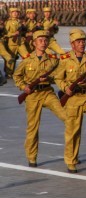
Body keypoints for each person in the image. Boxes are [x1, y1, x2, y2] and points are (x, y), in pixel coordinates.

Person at [53, 28, 86, 173]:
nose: (82, 44)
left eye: (83, 41)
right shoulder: (65, 60)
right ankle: (71, 160)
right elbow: (58, 78)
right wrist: (65, 88)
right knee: (73, 131)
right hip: (73, 99)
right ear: (72, 44)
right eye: (78, 41)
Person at [13, 30, 66, 167]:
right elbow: (16, 76)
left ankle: (72, 155)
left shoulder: (53, 60)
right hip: (32, 95)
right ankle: (32, 157)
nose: (43, 43)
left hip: (48, 92)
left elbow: (59, 75)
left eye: (45, 40)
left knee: (67, 117)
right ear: (34, 43)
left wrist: (49, 77)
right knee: (33, 127)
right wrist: (24, 87)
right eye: (40, 40)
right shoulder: (27, 61)